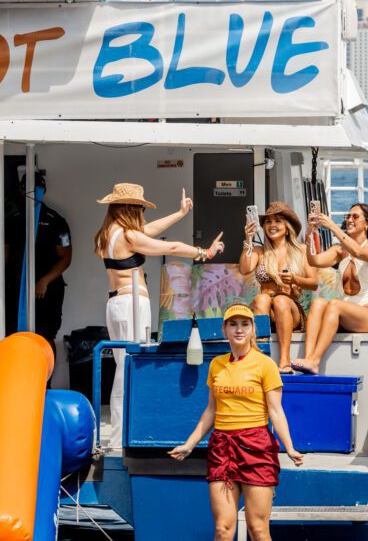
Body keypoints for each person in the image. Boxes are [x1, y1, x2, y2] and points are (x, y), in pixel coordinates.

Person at [95, 182, 224, 449]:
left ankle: (121, 434)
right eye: (140, 208)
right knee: (128, 366)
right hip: (131, 303)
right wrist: (204, 252)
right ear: (132, 208)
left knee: (123, 364)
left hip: (116, 303)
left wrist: (179, 214)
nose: (143, 213)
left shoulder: (108, 233)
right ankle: (120, 439)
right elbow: (173, 248)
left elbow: (148, 231)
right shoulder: (130, 237)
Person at [169, 303, 303, 541]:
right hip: (222, 447)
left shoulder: (265, 364)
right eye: (233, 324)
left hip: (256, 446)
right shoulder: (216, 365)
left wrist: (289, 447)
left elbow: (276, 410)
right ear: (225, 330)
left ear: (253, 330)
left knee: (258, 530)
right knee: (223, 529)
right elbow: (211, 410)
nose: (239, 329)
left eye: (245, 324)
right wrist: (190, 444)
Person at [292, 203, 368, 375]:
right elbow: (315, 261)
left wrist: (331, 226)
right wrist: (310, 233)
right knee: (318, 303)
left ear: (367, 224)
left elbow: (358, 252)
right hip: (346, 314)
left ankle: (315, 361)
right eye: (348, 216)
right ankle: (308, 359)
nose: (349, 220)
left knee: (335, 304)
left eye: (355, 217)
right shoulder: (340, 250)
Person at [239, 202, 317, 375]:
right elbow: (244, 269)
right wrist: (248, 240)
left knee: (281, 300)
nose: (272, 225)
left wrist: (295, 279)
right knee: (262, 298)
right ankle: (260, 358)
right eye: (268, 222)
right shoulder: (259, 251)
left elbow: (314, 283)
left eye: (278, 221)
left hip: (290, 311)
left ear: (287, 227)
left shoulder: (301, 250)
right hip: (265, 311)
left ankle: (284, 361)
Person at [4, 171, 72, 358]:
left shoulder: (55, 220)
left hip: (47, 289)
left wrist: (44, 281)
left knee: (46, 336)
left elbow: (66, 257)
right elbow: (6, 255)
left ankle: (45, 383)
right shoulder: (13, 220)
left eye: (38, 189)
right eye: (28, 189)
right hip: (16, 288)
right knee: (14, 335)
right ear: (21, 190)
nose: (33, 193)